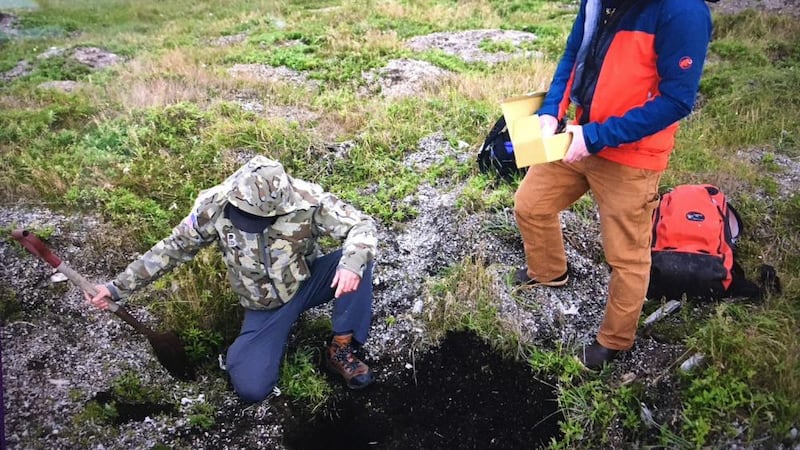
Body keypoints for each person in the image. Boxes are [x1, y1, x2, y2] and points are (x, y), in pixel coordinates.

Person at [513, 0, 713, 369]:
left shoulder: (683, 10)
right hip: (576, 135)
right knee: (530, 204)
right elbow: (574, 55)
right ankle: (549, 272)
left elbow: (676, 101)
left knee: (626, 256)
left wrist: (597, 137)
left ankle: (615, 340)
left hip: (631, 156)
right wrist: (550, 112)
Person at [85, 155, 378, 402]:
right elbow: (172, 248)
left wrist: (351, 265)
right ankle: (245, 350)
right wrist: (115, 288)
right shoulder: (214, 204)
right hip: (264, 307)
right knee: (252, 388)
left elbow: (362, 225)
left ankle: (340, 346)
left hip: (309, 281)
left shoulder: (308, 200)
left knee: (357, 258)